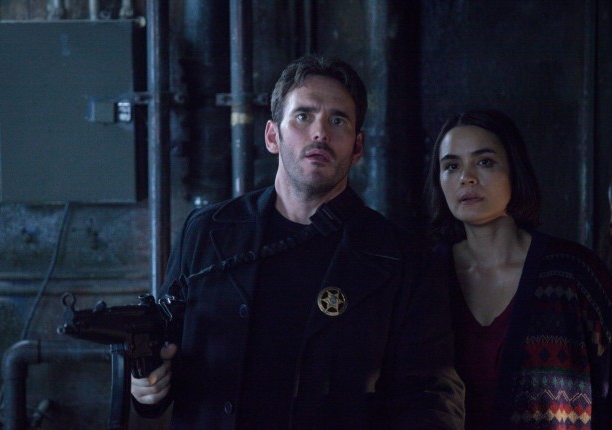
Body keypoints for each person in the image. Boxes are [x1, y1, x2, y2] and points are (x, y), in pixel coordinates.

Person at [130, 55, 465, 429]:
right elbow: (165, 350)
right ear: (273, 136)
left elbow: (430, 395)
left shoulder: (402, 258)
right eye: (303, 116)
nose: (320, 133)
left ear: (357, 147)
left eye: (337, 120)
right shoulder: (207, 231)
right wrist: (147, 385)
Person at [425, 108, 612, 429]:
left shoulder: (573, 273)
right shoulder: (424, 277)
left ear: (515, 169)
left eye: (484, 162)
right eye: (451, 166)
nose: (467, 177)